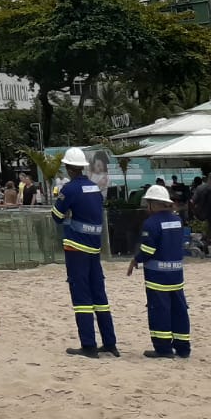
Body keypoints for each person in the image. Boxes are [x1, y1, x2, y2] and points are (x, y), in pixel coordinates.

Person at [53, 147, 119, 359]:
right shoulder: (93, 188)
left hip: (76, 247)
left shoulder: (69, 190)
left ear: (69, 167)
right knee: (99, 296)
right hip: (94, 248)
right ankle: (109, 343)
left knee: (81, 297)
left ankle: (89, 345)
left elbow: (56, 216)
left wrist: (69, 216)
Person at [126, 184, 190, 359]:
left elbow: (147, 251)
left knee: (159, 311)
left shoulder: (151, 223)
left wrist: (135, 260)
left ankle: (163, 349)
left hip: (157, 278)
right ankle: (183, 347)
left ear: (153, 204)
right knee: (179, 310)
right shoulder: (177, 221)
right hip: (176, 275)